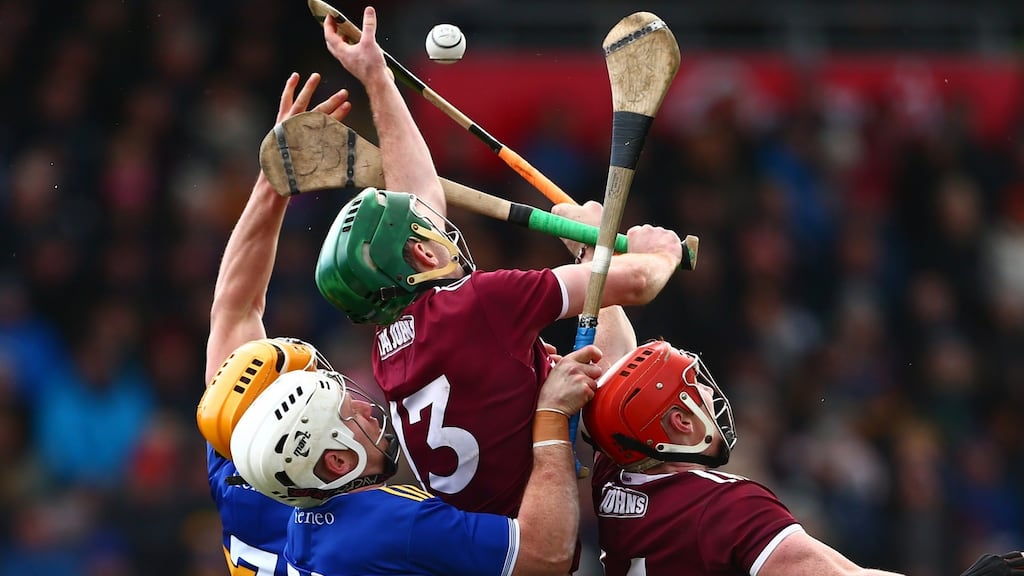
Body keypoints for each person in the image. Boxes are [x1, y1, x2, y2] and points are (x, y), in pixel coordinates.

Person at [313, 6, 681, 518]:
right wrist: (661, 250)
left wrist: (378, 77)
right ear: (420, 252)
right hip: (529, 547)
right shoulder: (482, 304)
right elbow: (638, 282)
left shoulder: (393, 342)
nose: (435, 226)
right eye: (423, 230)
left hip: (481, 550)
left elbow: (610, 360)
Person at [581, 338, 1024, 576]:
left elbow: (615, 364)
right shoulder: (722, 507)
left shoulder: (613, 473)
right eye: (693, 390)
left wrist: (594, 253)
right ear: (679, 422)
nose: (710, 397)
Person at [229, 341, 604, 576]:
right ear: (338, 463)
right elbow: (547, 555)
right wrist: (551, 415)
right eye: (351, 414)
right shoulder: (391, 524)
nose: (367, 408)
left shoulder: (301, 519)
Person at [195, 72, 351, 575]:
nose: (356, 413)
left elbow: (235, 308)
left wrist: (273, 183)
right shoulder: (377, 529)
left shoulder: (236, 465)